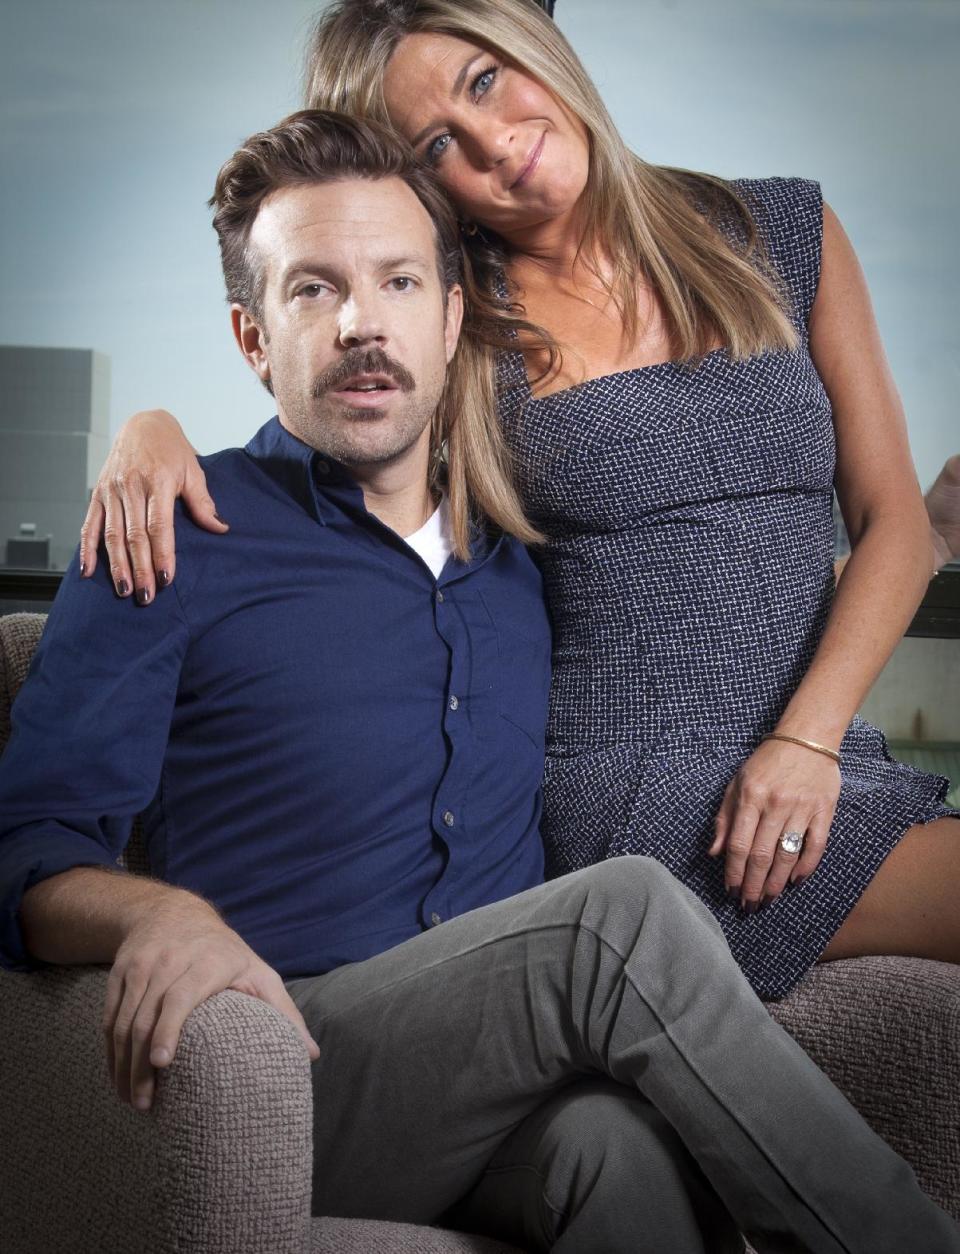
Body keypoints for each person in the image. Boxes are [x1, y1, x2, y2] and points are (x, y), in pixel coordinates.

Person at [6, 106, 960, 1254]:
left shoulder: (522, 563)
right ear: (253, 341)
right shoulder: (174, 537)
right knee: (617, 914)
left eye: (400, 282)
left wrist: (921, 540)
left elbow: (718, 574)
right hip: (281, 1066)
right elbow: (28, 848)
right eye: (312, 291)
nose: (364, 324)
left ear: (455, 319)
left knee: (616, 1151)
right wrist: (156, 910)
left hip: (487, 1080)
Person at [76, 0, 959, 1002]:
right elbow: (328, 436)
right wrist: (150, 431)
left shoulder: (787, 231)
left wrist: (809, 737)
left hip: (821, 758)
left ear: (535, 46)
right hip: (647, 801)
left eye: (486, 80)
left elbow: (893, 522)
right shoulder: (458, 325)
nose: (497, 144)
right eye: (440, 141)